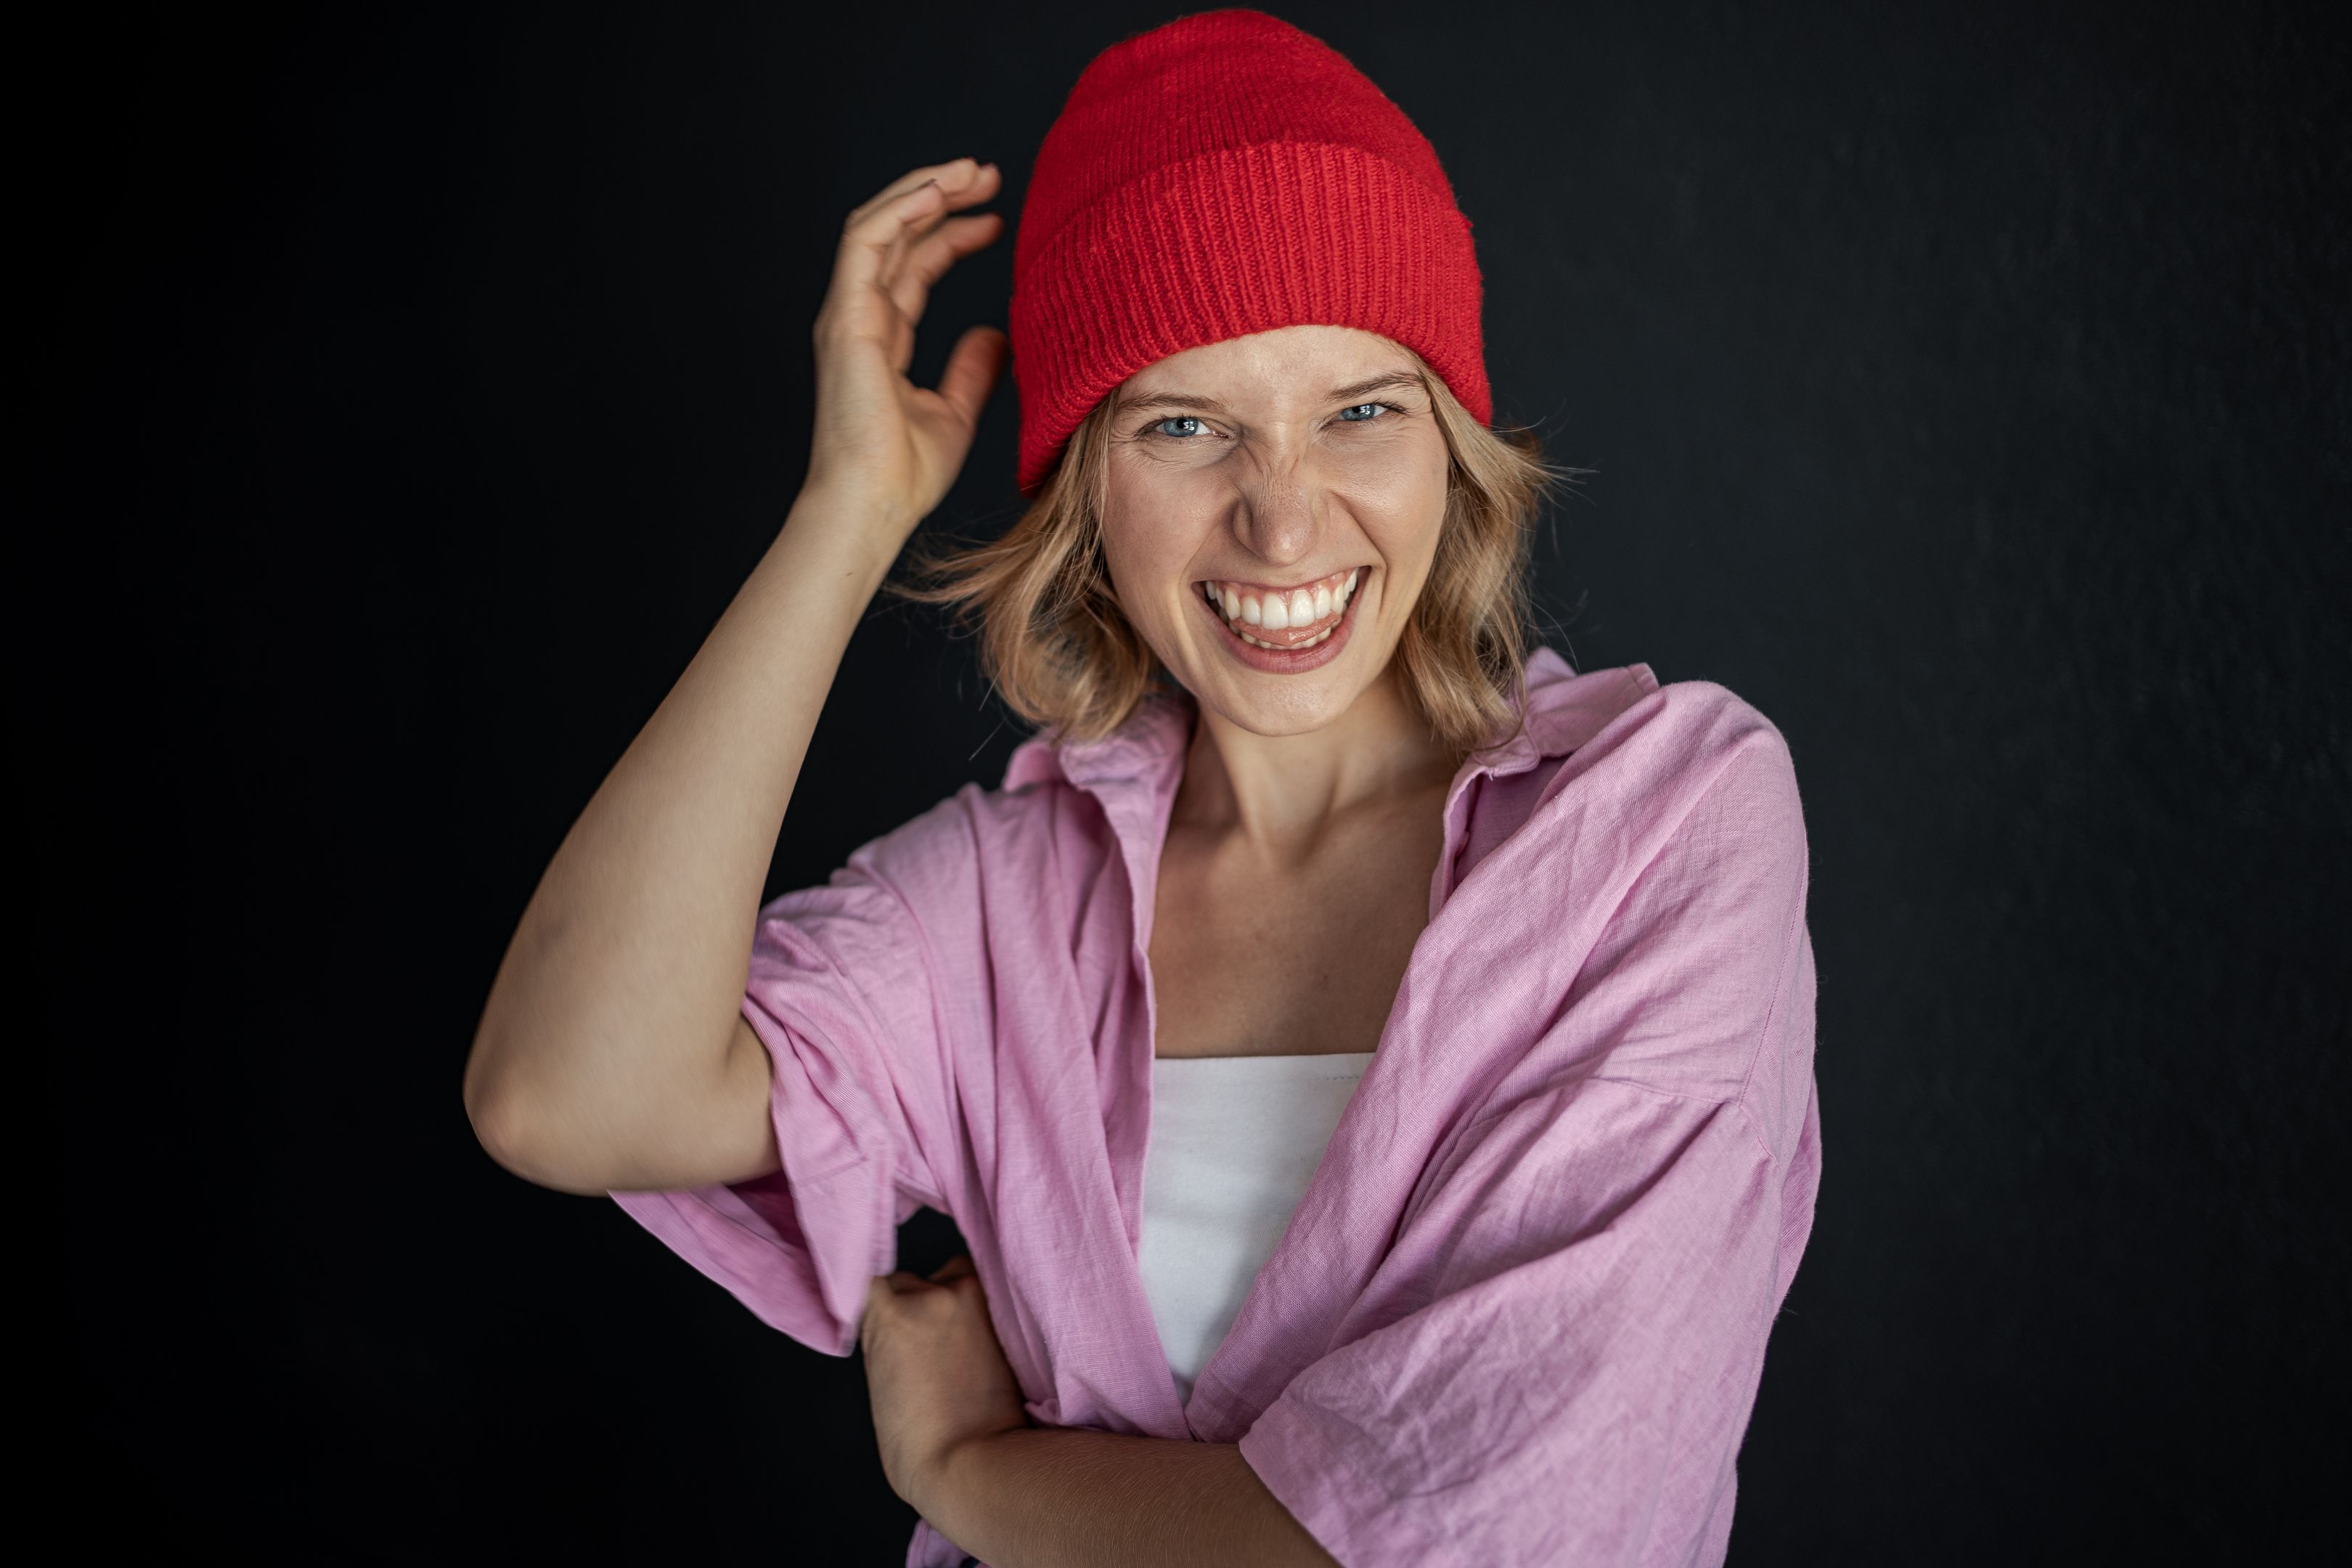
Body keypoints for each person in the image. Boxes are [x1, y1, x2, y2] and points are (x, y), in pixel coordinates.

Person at [463, 10, 1820, 1566]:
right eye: (1186, 427)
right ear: (1085, 492)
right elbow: (563, 1098)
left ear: (1451, 446)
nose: (1283, 523)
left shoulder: (1658, 829)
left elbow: (1473, 1536)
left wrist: (969, 1469)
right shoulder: (999, 906)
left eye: (1360, 410)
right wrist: (847, 513)